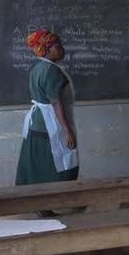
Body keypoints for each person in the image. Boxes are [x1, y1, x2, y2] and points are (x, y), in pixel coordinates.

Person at [15, 29, 80, 186]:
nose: (62, 49)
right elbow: (56, 103)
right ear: (47, 49)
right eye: (58, 46)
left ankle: (40, 203)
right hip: (49, 125)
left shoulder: (37, 69)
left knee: (37, 166)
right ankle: (48, 202)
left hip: (36, 123)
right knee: (57, 166)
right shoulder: (52, 71)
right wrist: (68, 132)